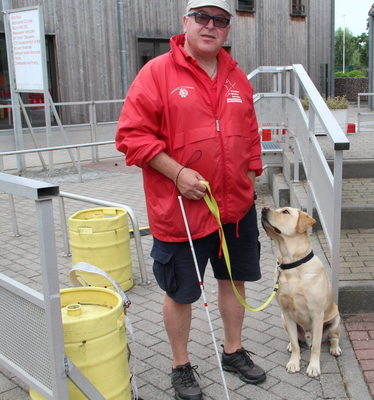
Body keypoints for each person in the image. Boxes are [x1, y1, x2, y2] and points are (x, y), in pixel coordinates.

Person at [115, 0, 265, 399]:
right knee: (182, 292)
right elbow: (131, 136)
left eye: (220, 20)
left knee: (234, 280)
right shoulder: (157, 73)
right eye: (202, 17)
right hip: (180, 212)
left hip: (236, 211)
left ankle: (233, 352)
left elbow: (251, 137)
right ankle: (181, 366)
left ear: (228, 29)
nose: (210, 26)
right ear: (185, 22)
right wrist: (177, 173)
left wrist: (249, 179)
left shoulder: (238, 78)